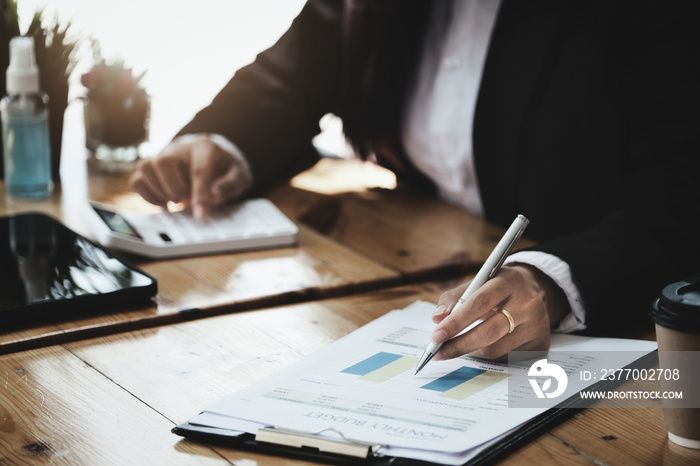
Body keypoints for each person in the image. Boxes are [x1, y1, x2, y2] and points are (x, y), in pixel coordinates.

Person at [130, 0, 700, 362]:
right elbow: (291, 76)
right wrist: (219, 142)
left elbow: (680, 196)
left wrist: (549, 279)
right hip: (410, 268)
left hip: (628, 328)